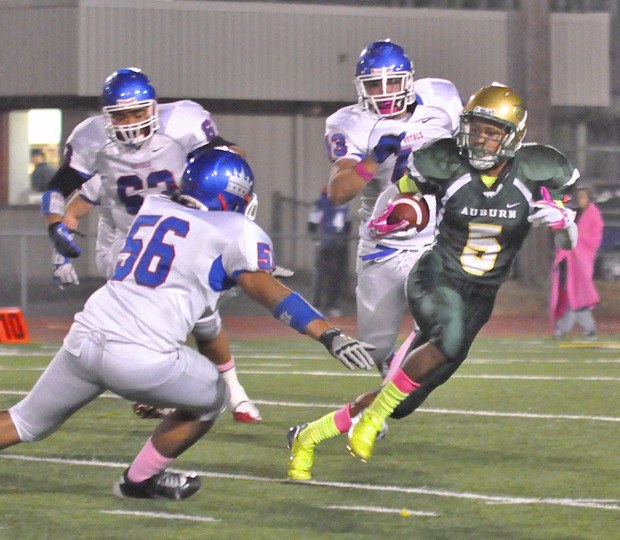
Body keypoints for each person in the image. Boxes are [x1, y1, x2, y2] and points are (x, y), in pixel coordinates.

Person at [0, 148, 375, 500]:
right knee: (213, 394)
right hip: (138, 357)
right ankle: (139, 480)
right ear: (236, 194)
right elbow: (264, 290)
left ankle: (153, 420)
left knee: (25, 421)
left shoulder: (155, 207)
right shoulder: (235, 230)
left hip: (86, 335)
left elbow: (187, 265)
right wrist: (327, 332)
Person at [288, 83, 579, 480]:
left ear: (513, 135)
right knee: (450, 336)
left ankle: (309, 436)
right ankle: (370, 422)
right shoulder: (445, 161)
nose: (480, 139)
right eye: (475, 129)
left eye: (491, 132)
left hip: (480, 296)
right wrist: (400, 213)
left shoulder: (538, 169)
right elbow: (408, 193)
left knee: (403, 403)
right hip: (436, 275)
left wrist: (564, 225)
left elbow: (566, 235)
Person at [40, 67, 262, 423]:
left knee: (204, 318)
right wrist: (55, 229)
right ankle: (169, 391)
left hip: (181, 238)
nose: (131, 122)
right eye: (121, 115)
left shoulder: (183, 124)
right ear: (105, 116)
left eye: (138, 112)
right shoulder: (94, 143)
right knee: (152, 322)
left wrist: (227, 161)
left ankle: (234, 391)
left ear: (154, 107)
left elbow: (227, 153)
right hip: (125, 244)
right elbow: (59, 189)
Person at [324, 39, 463, 378]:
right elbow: (338, 192)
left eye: (393, 81)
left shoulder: (440, 108)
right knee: (376, 348)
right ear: (361, 87)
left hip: (433, 242)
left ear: (409, 80)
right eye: (374, 84)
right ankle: (390, 366)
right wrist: (372, 160)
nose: (384, 92)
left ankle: (393, 385)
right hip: (382, 247)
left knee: (441, 324)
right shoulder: (349, 123)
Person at [550, 186, 604, 339]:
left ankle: (566, 329)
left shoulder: (594, 215)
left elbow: (593, 239)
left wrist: (576, 243)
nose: (581, 200)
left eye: (584, 197)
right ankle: (579, 329)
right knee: (573, 294)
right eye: (579, 197)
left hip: (581, 261)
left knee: (578, 295)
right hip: (568, 259)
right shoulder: (574, 214)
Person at [307, 186, 352, 317]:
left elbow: (312, 223)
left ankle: (326, 305)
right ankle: (321, 305)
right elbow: (348, 224)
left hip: (331, 242)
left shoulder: (323, 203)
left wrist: (316, 237)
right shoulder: (334, 203)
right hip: (332, 242)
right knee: (324, 275)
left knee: (332, 276)